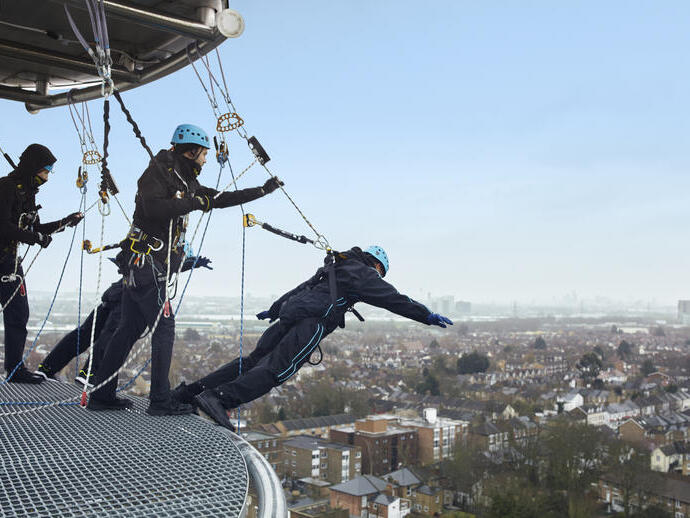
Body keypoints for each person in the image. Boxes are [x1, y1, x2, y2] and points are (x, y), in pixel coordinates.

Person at [87, 124, 283, 415]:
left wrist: (261, 192)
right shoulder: (159, 171)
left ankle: (102, 394)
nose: (206, 160)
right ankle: (160, 401)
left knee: (128, 329)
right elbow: (153, 208)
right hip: (147, 264)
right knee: (163, 329)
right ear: (191, 152)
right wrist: (193, 202)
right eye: (203, 154)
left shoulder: (183, 179)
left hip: (142, 265)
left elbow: (218, 199)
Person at [172, 245, 454, 430]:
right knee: (274, 371)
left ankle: (190, 393)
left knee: (252, 361)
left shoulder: (336, 266)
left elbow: (301, 289)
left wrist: (275, 309)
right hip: (310, 325)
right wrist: (425, 315)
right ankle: (219, 399)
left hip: (289, 316)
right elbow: (393, 299)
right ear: (377, 267)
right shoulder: (365, 275)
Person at [37, 254, 212, 386]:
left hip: (115, 294)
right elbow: (164, 266)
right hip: (127, 298)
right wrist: (190, 263)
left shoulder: (145, 241)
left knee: (86, 333)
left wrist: (189, 264)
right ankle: (89, 374)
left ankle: (48, 368)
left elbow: (165, 265)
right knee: (110, 336)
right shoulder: (158, 242)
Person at [0, 144, 83, 384]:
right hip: (4, 262)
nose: (46, 178)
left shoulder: (27, 193)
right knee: (17, 314)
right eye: (45, 172)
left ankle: (15, 371)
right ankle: (15, 371)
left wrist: (65, 222)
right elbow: (4, 226)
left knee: (18, 314)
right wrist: (35, 238)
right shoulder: (5, 188)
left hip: (9, 263)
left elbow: (35, 228)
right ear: (32, 168)